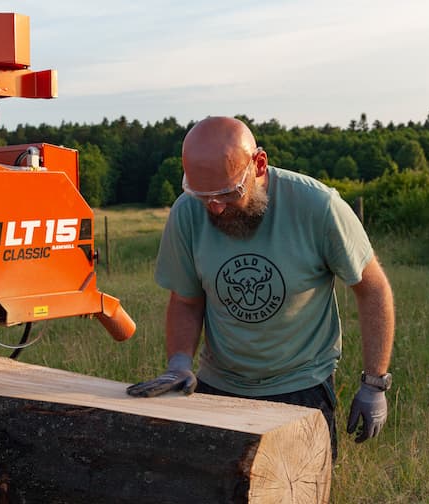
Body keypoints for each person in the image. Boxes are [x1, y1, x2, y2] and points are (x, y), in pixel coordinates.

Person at [126, 116, 395, 459]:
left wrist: (375, 384)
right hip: (219, 387)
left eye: (226, 192)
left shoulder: (317, 208)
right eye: (202, 194)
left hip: (301, 388)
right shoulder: (188, 212)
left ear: (259, 164)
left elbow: (372, 289)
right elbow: (185, 300)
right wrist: (178, 363)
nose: (215, 207)